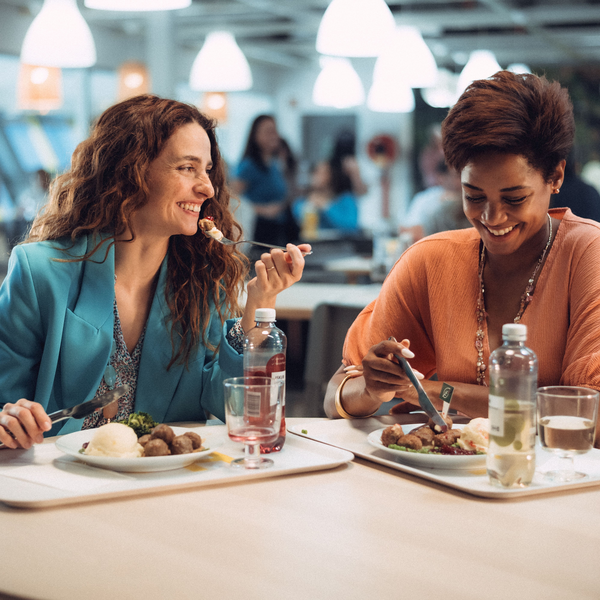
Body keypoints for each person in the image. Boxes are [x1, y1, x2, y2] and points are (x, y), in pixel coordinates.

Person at [0, 95, 310, 450]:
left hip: (164, 488)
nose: (207, 187)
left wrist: (260, 302)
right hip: (61, 488)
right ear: (131, 172)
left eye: (207, 169)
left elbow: (234, 409)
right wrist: (9, 420)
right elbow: (3, 403)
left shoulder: (203, 282)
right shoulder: (40, 272)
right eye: (186, 168)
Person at [324, 71, 600, 446]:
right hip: (440, 482)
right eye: (474, 196)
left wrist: (440, 391)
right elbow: (336, 397)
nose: (492, 217)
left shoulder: (587, 255)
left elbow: (587, 415)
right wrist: (374, 389)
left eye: (514, 198)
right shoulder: (431, 261)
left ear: (555, 176)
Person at [231, 115, 298, 249]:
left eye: (275, 131)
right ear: (255, 136)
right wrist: (262, 210)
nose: (274, 136)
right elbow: (232, 200)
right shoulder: (248, 166)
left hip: (279, 229)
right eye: (268, 132)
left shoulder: (274, 164)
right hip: (258, 230)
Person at [292, 160, 360, 235]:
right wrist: (310, 205)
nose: (315, 175)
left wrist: (326, 205)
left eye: (322, 172)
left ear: (332, 175)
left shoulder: (346, 199)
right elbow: (298, 219)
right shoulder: (302, 201)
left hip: (341, 244)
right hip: (313, 244)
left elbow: (351, 227)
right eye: (314, 171)